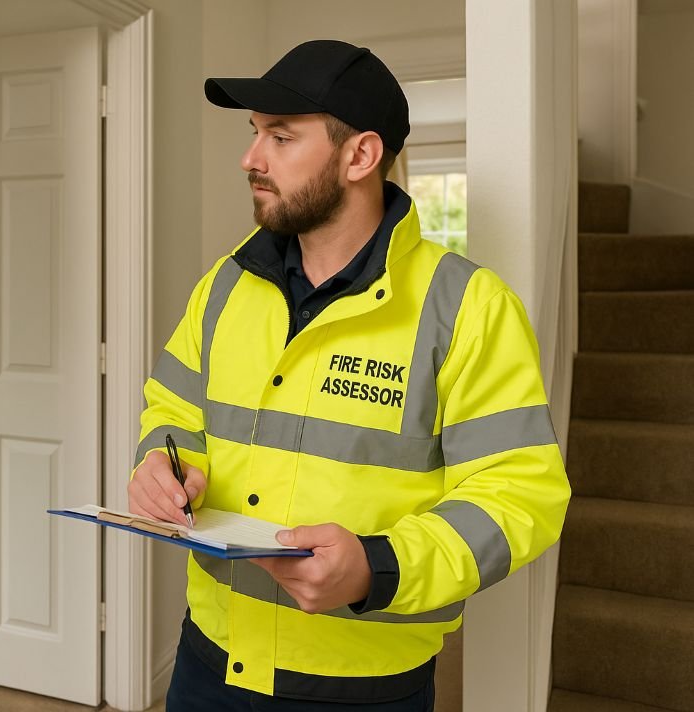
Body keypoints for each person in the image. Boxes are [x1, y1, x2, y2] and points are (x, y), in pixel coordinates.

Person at [127, 40, 571, 711]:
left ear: (360, 155)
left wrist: (377, 568)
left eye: (280, 136)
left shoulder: (468, 308)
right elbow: (173, 408)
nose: (250, 159)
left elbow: (520, 496)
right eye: (253, 134)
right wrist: (163, 465)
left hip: (362, 689)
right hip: (208, 664)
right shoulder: (225, 286)